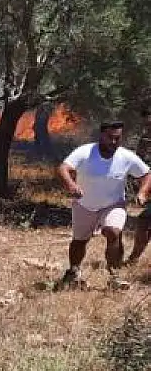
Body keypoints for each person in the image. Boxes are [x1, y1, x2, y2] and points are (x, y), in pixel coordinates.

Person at [57, 120, 151, 290]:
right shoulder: (85, 152)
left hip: (113, 204)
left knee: (113, 232)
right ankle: (73, 272)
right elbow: (64, 168)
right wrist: (71, 185)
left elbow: (146, 174)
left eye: (118, 138)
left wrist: (143, 192)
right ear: (101, 135)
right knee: (79, 241)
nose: (114, 142)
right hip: (84, 204)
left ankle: (114, 276)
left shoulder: (126, 156)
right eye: (110, 138)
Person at [124, 108, 151, 266]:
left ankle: (133, 259)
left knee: (145, 221)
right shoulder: (145, 139)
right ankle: (133, 259)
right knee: (144, 222)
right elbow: (141, 166)